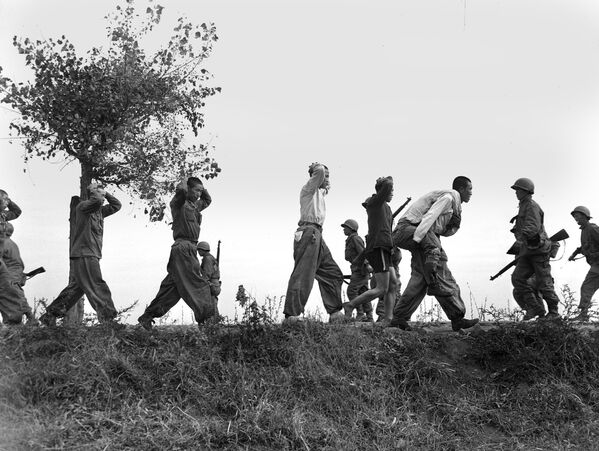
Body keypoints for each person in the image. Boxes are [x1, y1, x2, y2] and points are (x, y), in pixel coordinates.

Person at [390, 176, 479, 331]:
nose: (471, 192)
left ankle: (399, 317)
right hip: (412, 230)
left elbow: (441, 228)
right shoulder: (448, 198)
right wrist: (424, 243)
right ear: (462, 189)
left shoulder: (454, 204)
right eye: (470, 189)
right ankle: (457, 317)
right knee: (439, 268)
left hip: (418, 232)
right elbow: (429, 217)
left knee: (421, 278)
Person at [40, 183, 121, 326]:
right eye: (100, 194)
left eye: (103, 195)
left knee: (76, 289)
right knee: (96, 284)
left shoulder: (99, 212)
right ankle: (108, 319)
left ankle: (50, 315)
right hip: (85, 253)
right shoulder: (83, 207)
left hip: (90, 253)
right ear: (92, 194)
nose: (102, 197)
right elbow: (96, 201)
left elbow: (117, 205)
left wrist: (106, 193)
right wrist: (94, 190)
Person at [138, 177, 213, 330]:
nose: (199, 194)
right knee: (199, 284)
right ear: (189, 189)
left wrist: (201, 188)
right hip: (183, 248)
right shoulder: (179, 204)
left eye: (200, 191)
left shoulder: (194, 206)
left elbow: (208, 200)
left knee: (172, 289)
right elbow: (181, 191)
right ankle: (206, 322)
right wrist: (185, 181)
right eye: (196, 190)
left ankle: (147, 317)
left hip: (188, 249)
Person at [283, 162, 345, 324]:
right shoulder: (308, 190)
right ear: (316, 176)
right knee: (304, 273)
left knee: (332, 273)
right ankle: (292, 315)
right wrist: (319, 167)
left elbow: (327, 187)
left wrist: (327, 178)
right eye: (325, 176)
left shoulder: (319, 193)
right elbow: (319, 173)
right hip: (307, 232)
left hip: (317, 233)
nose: (326, 178)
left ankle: (335, 312)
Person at [343, 176, 398, 324]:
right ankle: (350, 305)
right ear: (381, 192)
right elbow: (387, 184)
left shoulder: (386, 207)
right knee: (382, 288)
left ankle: (388, 319)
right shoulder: (375, 203)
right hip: (378, 247)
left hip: (385, 248)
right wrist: (386, 181)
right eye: (390, 190)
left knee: (393, 284)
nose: (392, 193)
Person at [509, 177, 560, 320]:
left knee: (544, 283)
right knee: (517, 278)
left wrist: (521, 236)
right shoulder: (524, 205)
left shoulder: (531, 206)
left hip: (538, 251)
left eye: (518, 189)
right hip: (528, 251)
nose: (516, 192)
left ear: (526, 191)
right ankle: (535, 308)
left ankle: (554, 313)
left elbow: (532, 228)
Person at [0, 223, 38, 325]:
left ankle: (16, 324)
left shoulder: (2, 242)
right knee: (18, 297)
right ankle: (30, 318)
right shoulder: (12, 243)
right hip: (15, 274)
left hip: (9, 275)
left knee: (12, 298)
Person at [568, 206, 599, 322]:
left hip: (598, 265)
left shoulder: (592, 228)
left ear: (585, 216)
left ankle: (583, 315)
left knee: (587, 287)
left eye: (578, 215)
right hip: (596, 264)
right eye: (574, 216)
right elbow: (586, 246)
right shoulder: (585, 230)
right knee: (588, 288)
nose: (576, 218)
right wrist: (574, 254)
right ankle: (583, 314)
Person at [341, 219, 373, 322]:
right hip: (358, 269)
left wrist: (367, 265)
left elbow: (363, 252)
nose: (344, 230)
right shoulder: (351, 239)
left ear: (352, 229)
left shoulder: (355, 239)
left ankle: (360, 313)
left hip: (360, 270)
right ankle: (369, 316)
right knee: (363, 292)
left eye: (345, 227)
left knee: (352, 291)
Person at [197, 241, 221, 321]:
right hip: (215, 284)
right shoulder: (210, 258)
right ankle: (214, 322)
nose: (198, 252)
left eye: (199, 250)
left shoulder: (207, 259)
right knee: (212, 302)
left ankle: (212, 323)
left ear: (203, 249)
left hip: (212, 284)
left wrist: (203, 283)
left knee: (210, 304)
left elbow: (207, 274)